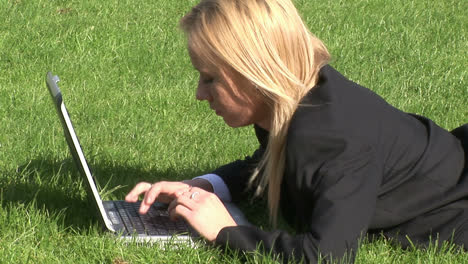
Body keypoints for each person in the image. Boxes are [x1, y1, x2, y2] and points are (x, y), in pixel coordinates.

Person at [125, 0, 468, 262]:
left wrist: (225, 232)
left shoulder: (336, 140)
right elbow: (275, 164)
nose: (200, 94)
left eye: (210, 78)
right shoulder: (298, 99)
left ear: (255, 71)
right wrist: (200, 186)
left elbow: (328, 254)